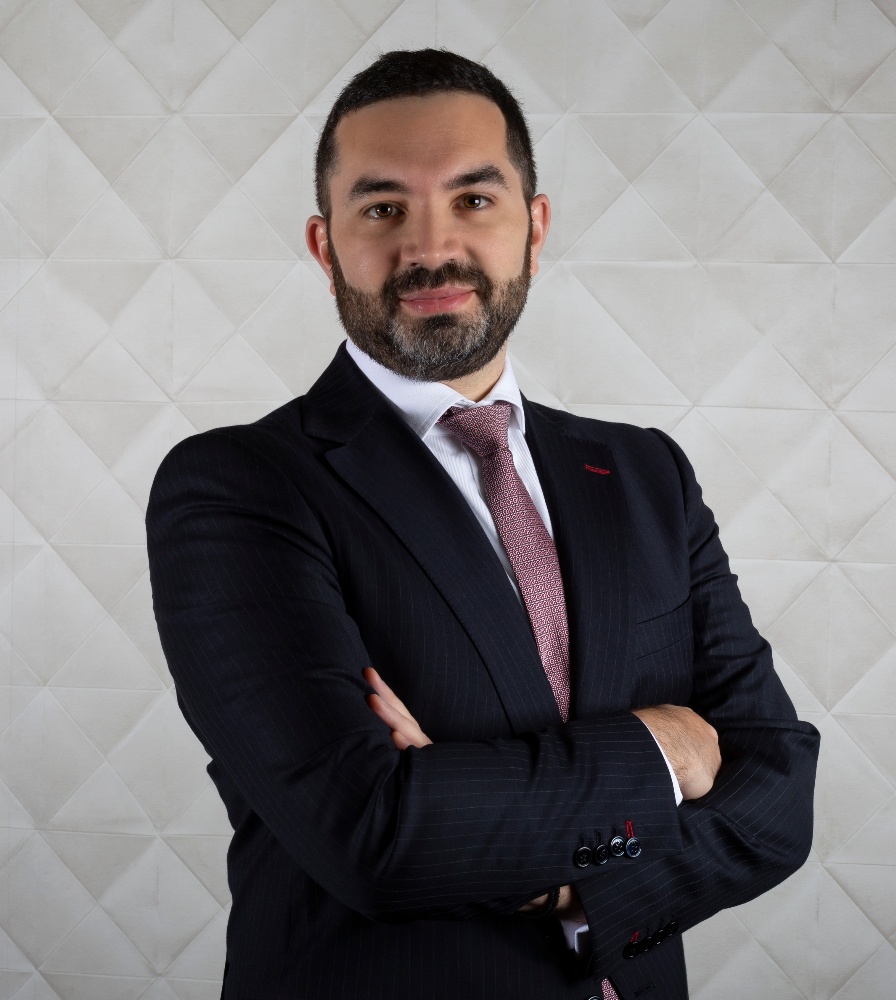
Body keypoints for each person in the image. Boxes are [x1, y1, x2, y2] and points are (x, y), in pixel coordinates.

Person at [146, 48, 820, 1000]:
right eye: (384, 209)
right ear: (324, 246)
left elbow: (777, 794)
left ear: (534, 227)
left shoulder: (644, 475)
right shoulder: (238, 488)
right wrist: (661, 750)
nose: (431, 248)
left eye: (473, 199)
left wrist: (575, 889)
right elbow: (377, 838)